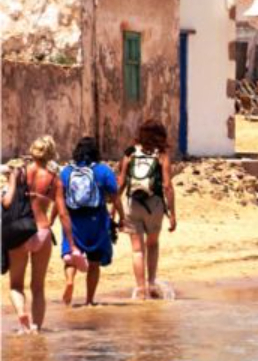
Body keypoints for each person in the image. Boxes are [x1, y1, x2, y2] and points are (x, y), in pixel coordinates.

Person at [2, 136, 77, 334]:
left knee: (16, 285)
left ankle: (21, 314)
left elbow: (8, 202)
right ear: (50, 154)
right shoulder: (55, 179)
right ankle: (36, 328)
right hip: (42, 232)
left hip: (19, 231)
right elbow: (62, 213)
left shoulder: (17, 173)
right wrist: (71, 242)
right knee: (38, 287)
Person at [59, 137, 123, 306]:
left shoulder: (66, 172)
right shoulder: (103, 171)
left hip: (73, 221)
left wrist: (51, 219)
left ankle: (70, 281)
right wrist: (122, 217)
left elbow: (58, 199)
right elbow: (115, 197)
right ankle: (89, 300)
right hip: (97, 221)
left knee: (72, 257)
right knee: (94, 262)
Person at [118, 120, 176, 300]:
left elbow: (120, 183)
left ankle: (140, 288)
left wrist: (114, 210)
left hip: (133, 204)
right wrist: (172, 213)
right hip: (154, 205)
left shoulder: (130, 153)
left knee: (137, 250)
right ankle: (151, 283)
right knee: (152, 244)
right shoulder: (162, 155)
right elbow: (167, 185)